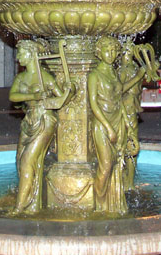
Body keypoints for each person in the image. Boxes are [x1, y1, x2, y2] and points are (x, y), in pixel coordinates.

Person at [8, 39, 74, 214]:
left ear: (31, 55)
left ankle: (19, 207)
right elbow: (13, 96)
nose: (19, 57)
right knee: (19, 160)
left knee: (27, 161)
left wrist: (69, 90)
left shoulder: (44, 77)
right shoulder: (21, 78)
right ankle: (31, 199)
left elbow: (61, 99)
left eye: (22, 53)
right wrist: (33, 95)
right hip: (29, 120)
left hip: (44, 120)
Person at [88, 36, 126, 213]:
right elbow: (94, 104)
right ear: (99, 52)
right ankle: (99, 204)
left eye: (113, 50)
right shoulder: (94, 75)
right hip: (103, 123)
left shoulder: (114, 72)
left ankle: (115, 204)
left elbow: (120, 99)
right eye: (106, 50)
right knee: (106, 165)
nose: (110, 54)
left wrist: (129, 127)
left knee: (118, 162)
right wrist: (108, 127)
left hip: (118, 119)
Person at [117, 40, 148, 191]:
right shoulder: (121, 71)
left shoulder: (134, 67)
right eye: (125, 52)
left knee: (133, 146)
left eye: (130, 52)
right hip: (126, 108)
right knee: (128, 144)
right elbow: (119, 91)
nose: (128, 55)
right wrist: (138, 77)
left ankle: (130, 181)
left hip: (133, 106)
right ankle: (125, 181)